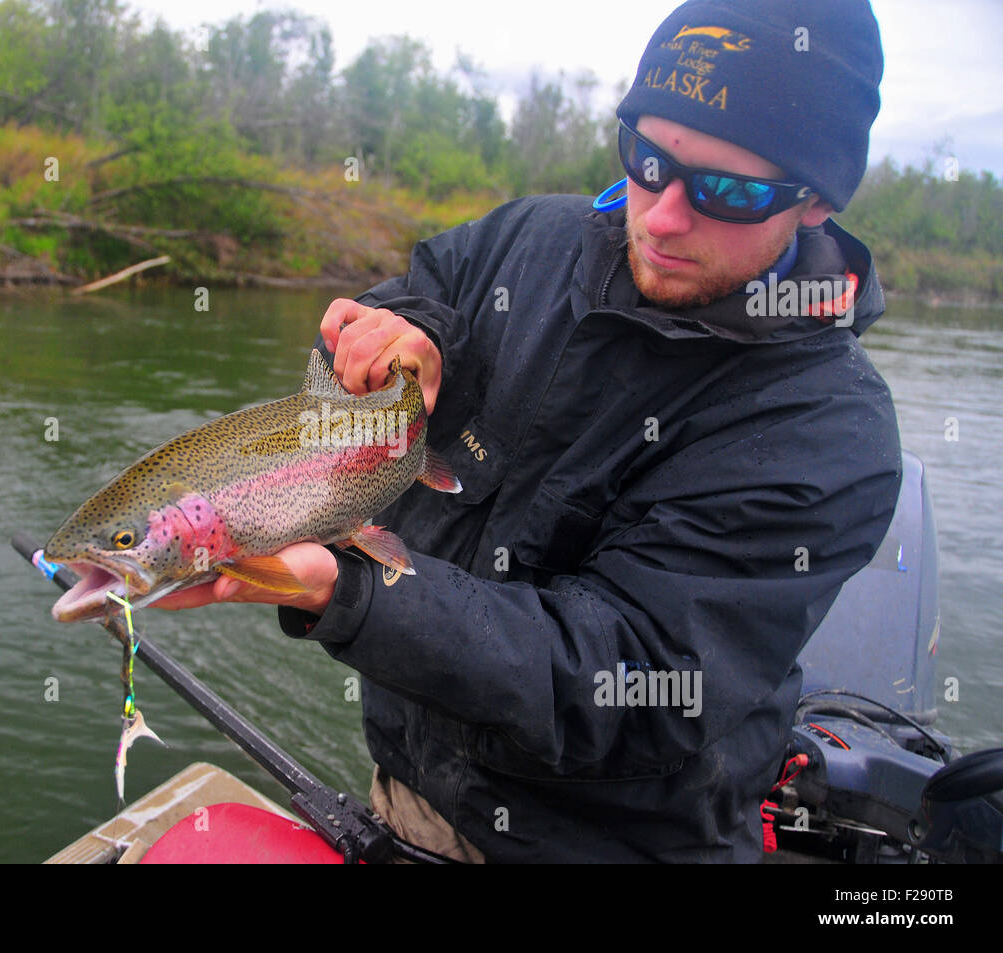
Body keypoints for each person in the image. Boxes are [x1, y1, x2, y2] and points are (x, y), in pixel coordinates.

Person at [156, 0, 901, 862]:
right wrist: (409, 335)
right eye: (649, 159)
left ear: (815, 203)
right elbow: (428, 284)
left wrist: (347, 593)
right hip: (404, 797)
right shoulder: (533, 239)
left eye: (729, 192)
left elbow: (626, 677)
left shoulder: (827, 428)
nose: (661, 217)